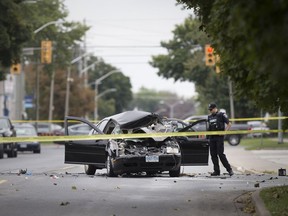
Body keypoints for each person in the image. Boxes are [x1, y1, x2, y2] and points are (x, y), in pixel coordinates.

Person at [207, 103, 234, 176]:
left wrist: (224, 132)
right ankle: (216, 171)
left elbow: (229, 124)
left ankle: (229, 170)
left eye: (211, 109)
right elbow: (209, 128)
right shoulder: (209, 117)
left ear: (215, 108)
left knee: (221, 154)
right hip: (212, 138)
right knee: (213, 155)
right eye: (209, 110)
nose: (210, 111)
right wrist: (207, 138)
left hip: (219, 137)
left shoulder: (221, 115)